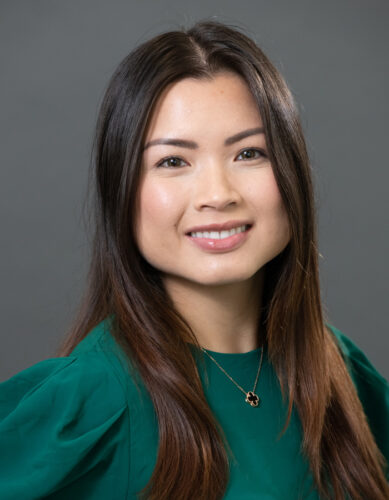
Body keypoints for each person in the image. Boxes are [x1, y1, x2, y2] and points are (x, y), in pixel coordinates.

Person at [0, 19, 388, 500]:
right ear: (122, 191)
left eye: (249, 153)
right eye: (172, 162)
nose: (217, 194)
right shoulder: (95, 398)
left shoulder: (338, 369)